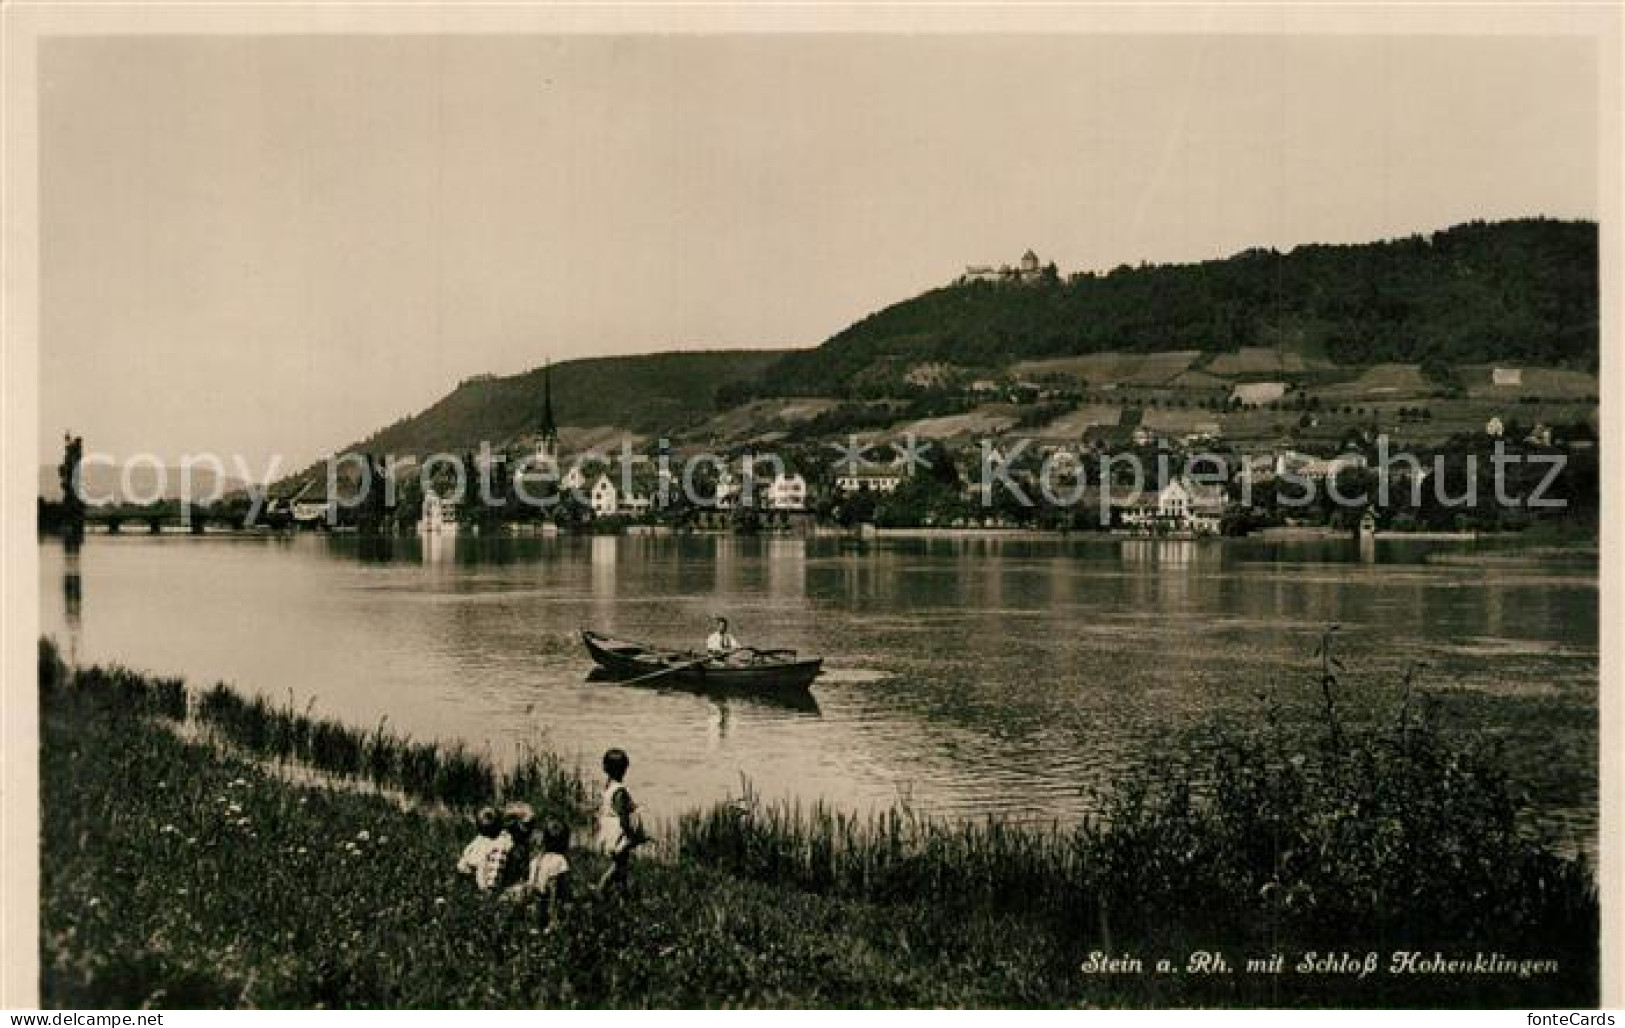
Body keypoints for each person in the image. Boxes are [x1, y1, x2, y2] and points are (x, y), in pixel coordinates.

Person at [596, 748, 644, 896]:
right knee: (618, 866)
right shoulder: (620, 791)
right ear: (624, 769)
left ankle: (622, 892)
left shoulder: (608, 787)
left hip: (608, 831)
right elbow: (622, 816)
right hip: (617, 834)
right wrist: (631, 835)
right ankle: (601, 889)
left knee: (622, 865)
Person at [514, 817, 572, 924]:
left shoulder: (535, 860)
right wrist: (553, 913)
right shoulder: (560, 861)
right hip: (545, 903)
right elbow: (554, 888)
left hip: (532, 901)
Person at [456, 806, 511, 893]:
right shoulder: (481, 841)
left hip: (489, 886)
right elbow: (462, 866)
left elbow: (462, 866)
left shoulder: (502, 841)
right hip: (486, 884)